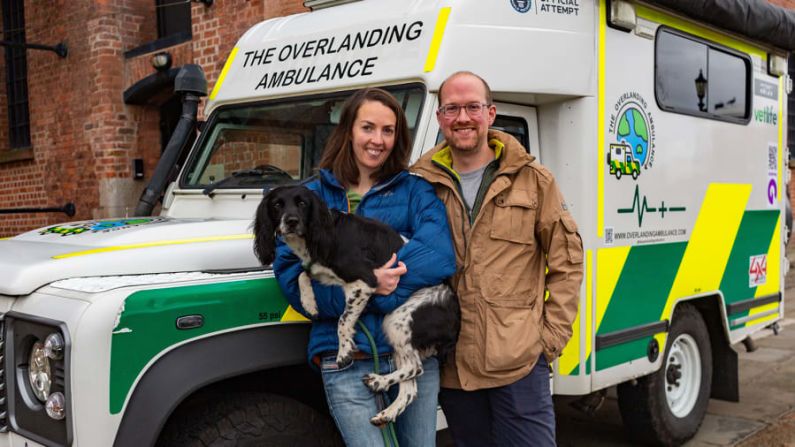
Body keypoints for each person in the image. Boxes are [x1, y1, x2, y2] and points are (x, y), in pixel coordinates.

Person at [272, 87, 456, 447]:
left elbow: (439, 256)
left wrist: (379, 290)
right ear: (348, 131)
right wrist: (371, 288)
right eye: (368, 128)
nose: (378, 140)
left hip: (412, 354)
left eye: (388, 131)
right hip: (345, 362)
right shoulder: (308, 196)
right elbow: (292, 279)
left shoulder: (414, 191)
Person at [411, 71, 584, 446]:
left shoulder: (533, 180)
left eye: (472, 107)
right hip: (454, 368)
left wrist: (549, 338)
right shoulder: (420, 184)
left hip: (519, 365)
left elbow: (568, 260)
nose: (462, 118)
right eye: (452, 108)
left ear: (491, 113)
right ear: (440, 118)